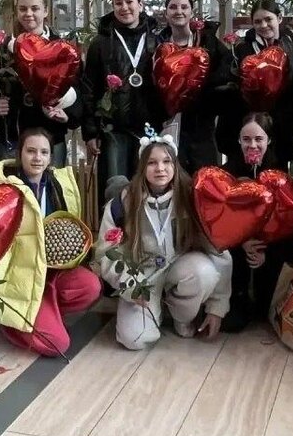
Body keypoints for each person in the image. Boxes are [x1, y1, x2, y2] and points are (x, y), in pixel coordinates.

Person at [0, 128, 101, 356]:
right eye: (31, 151)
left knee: (91, 287)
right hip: (17, 277)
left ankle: (43, 312)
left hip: (50, 272)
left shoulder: (57, 185)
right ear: (19, 153)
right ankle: (8, 322)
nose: (37, 158)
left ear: (51, 157)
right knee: (56, 344)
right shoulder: (2, 190)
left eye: (44, 152)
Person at [95, 134, 231, 350]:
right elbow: (106, 252)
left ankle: (181, 315)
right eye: (152, 163)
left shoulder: (192, 198)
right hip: (143, 275)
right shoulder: (123, 202)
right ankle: (152, 311)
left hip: (179, 266)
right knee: (134, 339)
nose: (160, 168)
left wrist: (217, 307)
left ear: (175, 165)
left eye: (167, 161)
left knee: (203, 272)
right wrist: (131, 285)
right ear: (142, 167)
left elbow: (218, 251)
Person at [81, 0, 164, 191]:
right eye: (118, 3)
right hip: (112, 130)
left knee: (146, 189)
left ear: (140, 5)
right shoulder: (100, 43)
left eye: (129, 2)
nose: (124, 8)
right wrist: (90, 132)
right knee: (114, 189)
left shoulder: (157, 42)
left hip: (149, 129)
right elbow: (89, 88)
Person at [221, 114, 293, 332]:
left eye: (258, 139)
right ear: (239, 141)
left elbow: (285, 222)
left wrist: (264, 250)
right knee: (233, 324)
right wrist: (243, 242)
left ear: (268, 140)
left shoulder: (279, 173)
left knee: (266, 309)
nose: (252, 145)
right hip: (237, 245)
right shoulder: (226, 173)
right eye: (246, 139)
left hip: (269, 246)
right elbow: (222, 220)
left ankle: (268, 295)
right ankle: (238, 298)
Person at [0, 0, 80, 165]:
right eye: (23, 9)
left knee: (52, 182)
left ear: (46, 11)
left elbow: (78, 88)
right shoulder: (3, 50)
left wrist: (67, 114)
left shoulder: (63, 49)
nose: (28, 14)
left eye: (35, 8)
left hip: (51, 138)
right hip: (13, 137)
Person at [217, 0, 293, 167]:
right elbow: (226, 91)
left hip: (279, 134)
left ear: (279, 18)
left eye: (268, 19)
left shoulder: (290, 50)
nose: (264, 25)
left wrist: (283, 119)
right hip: (245, 135)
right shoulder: (240, 51)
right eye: (258, 21)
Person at [154, 0, 234, 172]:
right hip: (169, 124)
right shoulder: (158, 45)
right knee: (173, 177)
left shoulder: (208, 42)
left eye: (184, 7)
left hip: (202, 126)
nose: (179, 11)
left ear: (191, 12)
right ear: (166, 13)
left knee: (204, 177)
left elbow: (227, 70)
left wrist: (201, 88)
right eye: (173, 7)